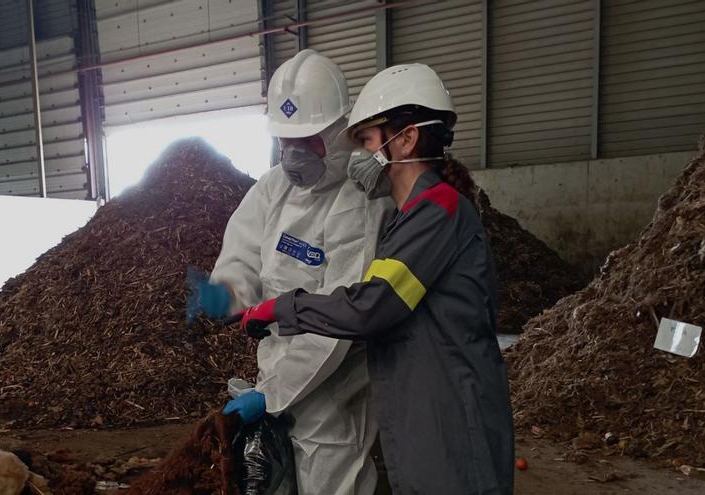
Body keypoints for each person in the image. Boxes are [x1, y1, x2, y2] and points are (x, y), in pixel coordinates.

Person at [234, 64, 515, 494]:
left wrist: (285, 307)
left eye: (365, 140)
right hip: (421, 399)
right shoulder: (411, 217)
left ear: (405, 139)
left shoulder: (438, 210)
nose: (357, 156)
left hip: (449, 403)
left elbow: (371, 306)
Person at [198, 49, 392, 494]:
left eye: (308, 141)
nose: (294, 154)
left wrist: (271, 396)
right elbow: (245, 254)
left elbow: (339, 322)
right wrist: (229, 290)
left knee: (332, 482)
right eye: (286, 141)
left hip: (334, 393)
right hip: (275, 372)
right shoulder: (272, 188)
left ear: (340, 133)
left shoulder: (360, 202)